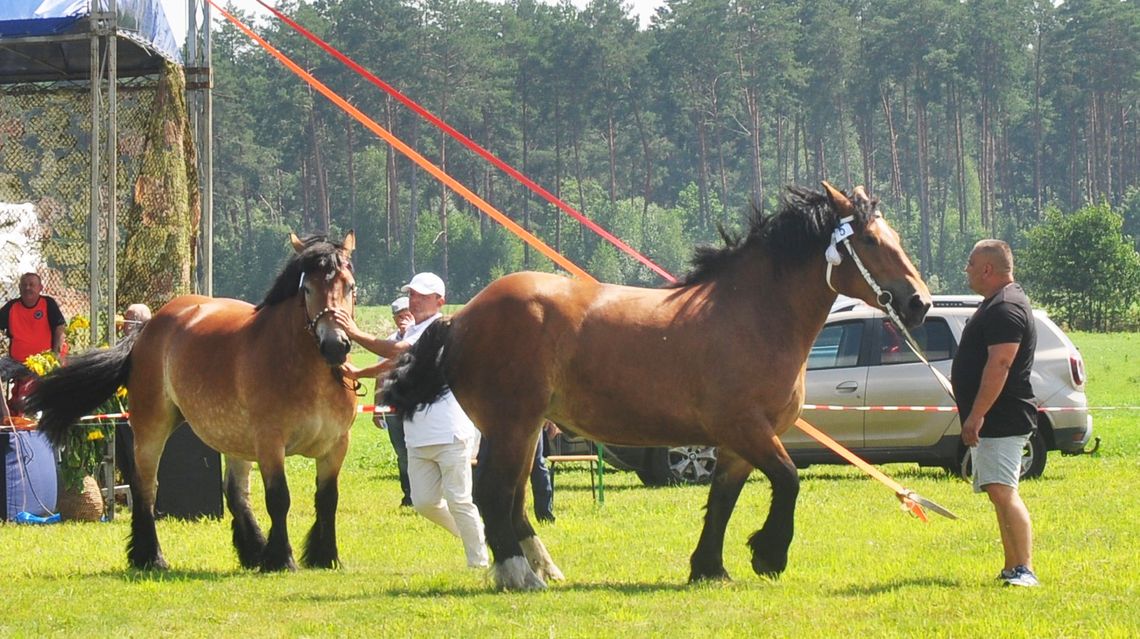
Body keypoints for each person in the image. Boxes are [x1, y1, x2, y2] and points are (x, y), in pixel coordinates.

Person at [337, 273, 488, 568]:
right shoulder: (413, 332)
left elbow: (398, 352)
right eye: (412, 294)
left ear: (439, 301)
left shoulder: (440, 329)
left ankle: (479, 560)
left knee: (459, 500)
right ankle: (479, 535)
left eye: (422, 295)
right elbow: (396, 360)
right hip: (418, 434)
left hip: (449, 432)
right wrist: (359, 374)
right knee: (424, 502)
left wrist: (354, 333)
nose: (414, 299)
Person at [951, 240, 1039, 587]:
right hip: (994, 417)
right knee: (996, 491)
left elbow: (1001, 363)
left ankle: (1025, 569)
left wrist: (976, 415)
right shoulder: (996, 304)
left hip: (1001, 417)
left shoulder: (1005, 307)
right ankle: (1011, 566)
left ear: (988, 269)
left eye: (971, 264)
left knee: (1004, 491)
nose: (967, 270)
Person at [365, 296, 415, 507]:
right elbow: (380, 378)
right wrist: (377, 408)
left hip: (418, 406)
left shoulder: (421, 337)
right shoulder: (388, 342)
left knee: (422, 450)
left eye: (406, 314)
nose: (403, 319)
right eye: (399, 316)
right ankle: (408, 496)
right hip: (394, 406)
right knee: (402, 453)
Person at [0, 272, 67, 415]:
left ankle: (40, 415)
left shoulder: (48, 303)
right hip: (15, 361)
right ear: (19, 288)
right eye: (24, 285)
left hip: (42, 362)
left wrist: (55, 356)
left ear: (40, 288)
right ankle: (4, 414)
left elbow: (60, 329)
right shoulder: (12, 307)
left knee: (57, 379)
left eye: (32, 285)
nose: (28, 288)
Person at [475, 419, 555, 523]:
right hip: (528, 416)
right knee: (537, 465)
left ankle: (478, 511)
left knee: (485, 460)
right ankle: (545, 514)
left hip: (499, 416)